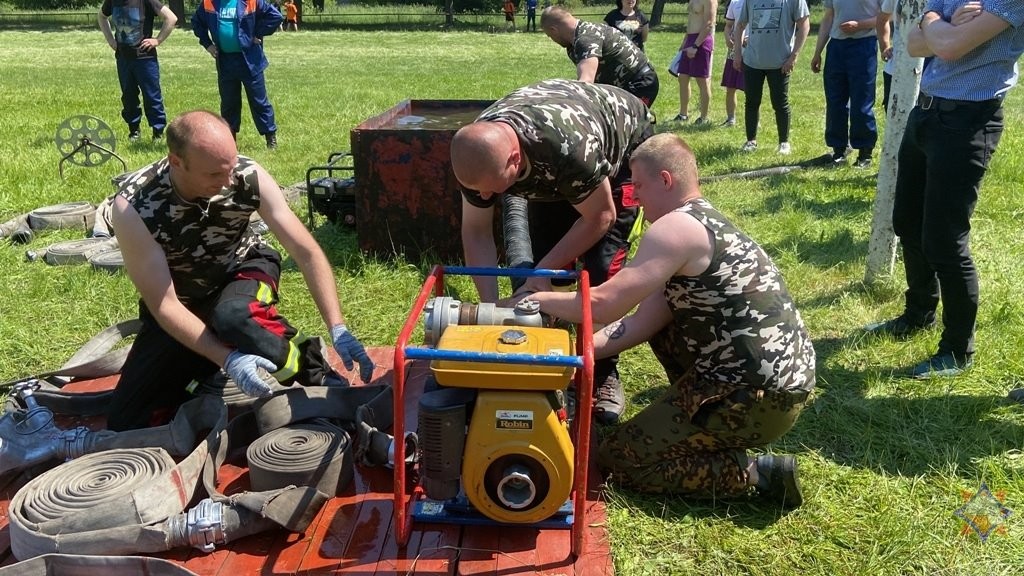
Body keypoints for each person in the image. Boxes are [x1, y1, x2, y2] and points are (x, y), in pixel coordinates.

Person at [520, 133, 815, 507]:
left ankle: (757, 472)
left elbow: (606, 304)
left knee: (622, 460)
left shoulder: (673, 230)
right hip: (774, 386)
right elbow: (644, 321)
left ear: (665, 180)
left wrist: (535, 300)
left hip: (756, 397)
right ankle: (700, 422)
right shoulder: (704, 222)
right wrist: (569, 353)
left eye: (639, 185)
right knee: (666, 327)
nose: (635, 197)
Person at [107, 111, 374, 432]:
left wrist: (338, 328)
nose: (229, 180)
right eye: (215, 174)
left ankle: (318, 373)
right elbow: (165, 305)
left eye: (231, 166)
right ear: (177, 162)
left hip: (244, 268)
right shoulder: (134, 207)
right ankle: (208, 363)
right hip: (183, 300)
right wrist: (227, 359)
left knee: (234, 316)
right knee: (129, 421)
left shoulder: (247, 174)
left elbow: (306, 252)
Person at [450, 79, 654, 425]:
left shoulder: (568, 148)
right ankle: (548, 357)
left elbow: (601, 216)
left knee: (600, 270)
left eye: (490, 189)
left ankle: (602, 371)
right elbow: (476, 230)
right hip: (552, 161)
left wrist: (538, 275)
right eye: (476, 191)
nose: (484, 197)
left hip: (619, 145)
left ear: (514, 160)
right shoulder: (477, 154)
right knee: (549, 259)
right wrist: (489, 308)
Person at [866, 1, 1024, 379]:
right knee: (907, 220)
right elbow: (914, 46)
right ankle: (918, 313)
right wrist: (943, 22)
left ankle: (957, 350)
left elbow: (948, 48)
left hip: (969, 121)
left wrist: (935, 26)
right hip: (926, 112)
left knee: (945, 239)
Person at [191, 0, 283, 150]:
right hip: (225, 61)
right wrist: (207, 44)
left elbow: (275, 16)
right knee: (228, 103)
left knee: (259, 101)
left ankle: (270, 138)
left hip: (250, 61)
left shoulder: (252, 1)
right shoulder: (209, 3)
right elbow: (196, 22)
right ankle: (230, 141)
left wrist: (257, 33)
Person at [541, 6, 660, 107]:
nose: (553, 40)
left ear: (554, 30)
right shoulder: (577, 37)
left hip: (640, 84)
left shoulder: (585, 39)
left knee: (628, 129)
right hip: (623, 86)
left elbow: (586, 83)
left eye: (550, 36)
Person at [810, 0, 882, 168]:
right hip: (836, 48)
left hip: (864, 46)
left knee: (861, 101)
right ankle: (838, 151)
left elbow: (887, 17)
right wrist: (818, 52)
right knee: (835, 101)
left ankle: (865, 153)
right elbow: (828, 17)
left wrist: (860, 24)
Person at [732, 0, 810, 155]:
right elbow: (740, 25)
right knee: (752, 102)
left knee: (780, 103)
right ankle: (751, 141)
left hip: (780, 63)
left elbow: (804, 25)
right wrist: (738, 54)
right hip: (752, 61)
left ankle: (784, 143)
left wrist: (793, 57)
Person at [98, 0, 177, 142]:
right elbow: (101, 17)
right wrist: (110, 40)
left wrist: (157, 40)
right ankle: (134, 131)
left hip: (145, 59)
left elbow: (171, 18)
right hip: (123, 59)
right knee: (128, 96)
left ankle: (157, 132)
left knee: (152, 96)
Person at [673, 0, 717, 124]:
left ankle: (703, 118)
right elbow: (691, 21)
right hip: (690, 39)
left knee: (701, 80)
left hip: (701, 41)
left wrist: (696, 46)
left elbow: (709, 24)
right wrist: (685, 41)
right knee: (682, 76)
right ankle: (683, 114)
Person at [720, 0, 747, 127]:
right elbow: (728, 25)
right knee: (730, 87)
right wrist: (727, 38)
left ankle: (754, 121)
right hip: (733, 52)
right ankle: (731, 119)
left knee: (752, 89)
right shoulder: (735, 2)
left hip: (752, 51)